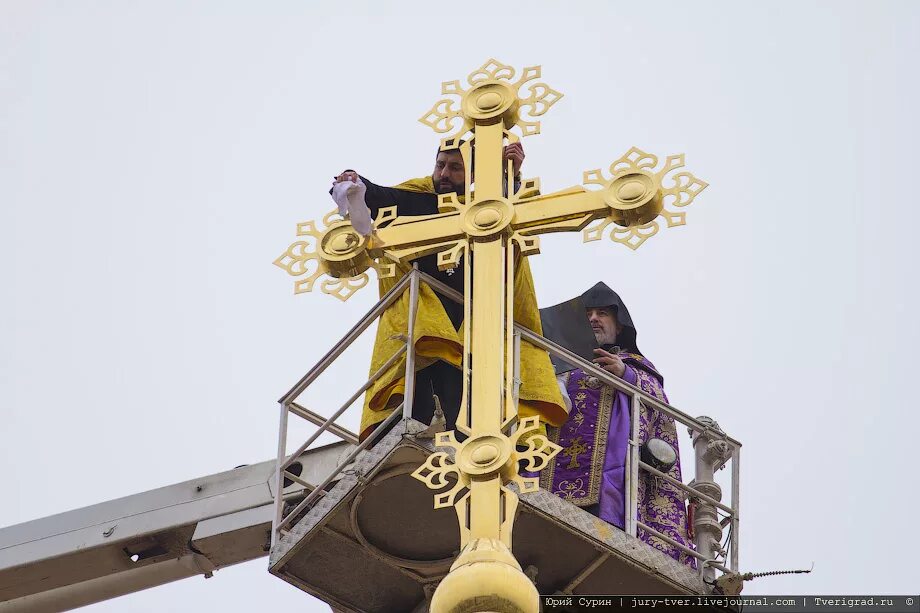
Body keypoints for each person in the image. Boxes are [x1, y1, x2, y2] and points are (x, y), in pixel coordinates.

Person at [332, 142, 567, 441]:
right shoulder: (417, 199)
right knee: (413, 391)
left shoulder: (485, 213)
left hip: (467, 325)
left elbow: (515, 217)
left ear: (472, 175)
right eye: (440, 164)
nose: (443, 173)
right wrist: (356, 182)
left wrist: (512, 177)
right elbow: (380, 196)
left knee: (465, 401)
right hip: (420, 321)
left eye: (455, 168)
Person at [539, 282, 695, 565]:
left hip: (608, 474)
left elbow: (656, 397)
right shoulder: (558, 364)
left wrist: (626, 374)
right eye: (587, 314)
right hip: (551, 469)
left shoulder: (633, 365)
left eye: (602, 313)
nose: (593, 319)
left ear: (619, 325)